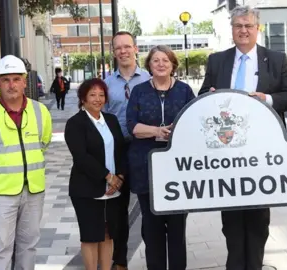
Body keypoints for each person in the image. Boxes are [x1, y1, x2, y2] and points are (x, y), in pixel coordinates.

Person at [199, 5, 287, 270]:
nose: (243, 30)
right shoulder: (217, 60)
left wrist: (267, 99)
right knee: (231, 222)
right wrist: (209, 97)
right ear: (231, 29)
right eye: (238, 26)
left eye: (248, 26)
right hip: (226, 154)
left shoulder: (275, 59)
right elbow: (201, 97)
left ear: (257, 29)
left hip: (261, 154)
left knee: (257, 221)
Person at [0, 55, 52, 270]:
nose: (11, 85)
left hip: (34, 192)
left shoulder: (40, 112)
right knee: (1, 250)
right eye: (5, 80)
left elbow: (43, 143)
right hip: (0, 196)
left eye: (16, 79)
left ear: (25, 82)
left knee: (28, 247)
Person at [126, 45, 195, 270]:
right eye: (156, 60)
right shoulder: (139, 91)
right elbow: (132, 126)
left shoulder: (184, 91)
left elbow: (195, 123)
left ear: (173, 64)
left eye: (165, 60)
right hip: (147, 170)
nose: (161, 64)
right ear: (149, 66)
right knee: (152, 229)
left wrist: (179, 130)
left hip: (178, 171)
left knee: (177, 230)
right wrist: (157, 131)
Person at [64, 78, 127, 270]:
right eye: (92, 95)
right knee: (91, 236)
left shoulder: (112, 120)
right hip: (87, 189)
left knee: (108, 234)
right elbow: (82, 157)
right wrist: (109, 177)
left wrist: (120, 178)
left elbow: (121, 150)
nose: (98, 99)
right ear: (83, 98)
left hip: (114, 189)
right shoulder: (75, 123)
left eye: (101, 95)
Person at [104, 30, 150, 270]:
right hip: (117, 154)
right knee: (117, 211)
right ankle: (120, 261)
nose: (123, 51)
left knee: (147, 207)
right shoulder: (106, 85)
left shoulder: (149, 80)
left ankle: (151, 254)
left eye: (126, 46)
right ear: (113, 53)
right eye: (118, 48)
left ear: (135, 49)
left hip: (144, 150)